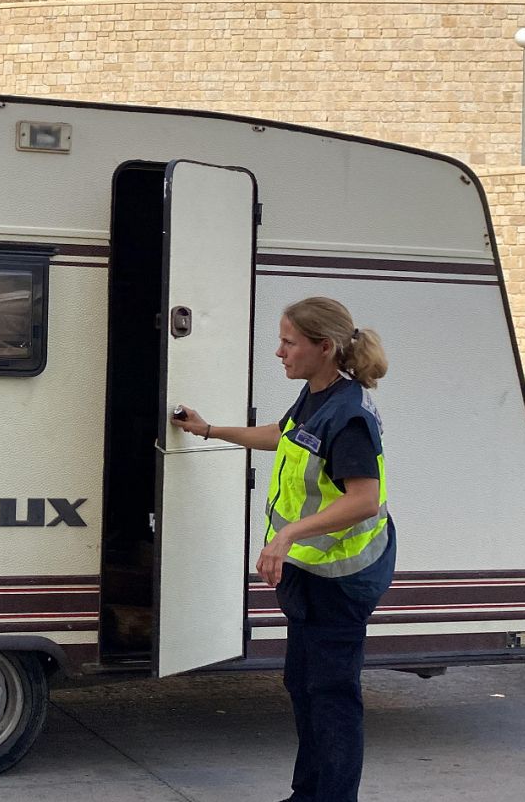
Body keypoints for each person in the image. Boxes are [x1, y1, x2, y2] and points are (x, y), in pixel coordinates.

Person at [173, 296, 394, 802]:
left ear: (324, 347)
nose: (279, 352)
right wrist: (208, 430)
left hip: (341, 579)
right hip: (309, 574)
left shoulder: (349, 414)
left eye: (288, 342)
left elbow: (364, 500)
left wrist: (288, 534)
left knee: (332, 697)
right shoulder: (318, 396)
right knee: (303, 687)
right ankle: (307, 793)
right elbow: (283, 435)